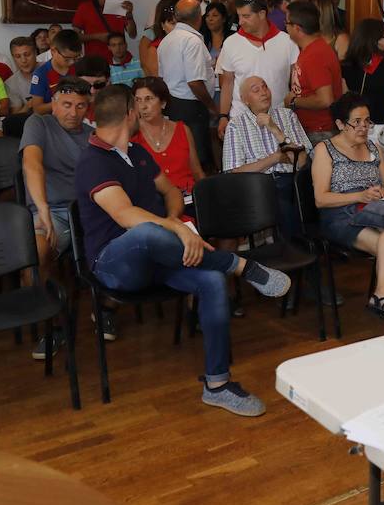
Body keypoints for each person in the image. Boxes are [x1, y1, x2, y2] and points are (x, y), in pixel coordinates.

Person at [73, 84, 289, 415]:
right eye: (138, 107)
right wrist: (175, 229)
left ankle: (217, 384)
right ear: (129, 113)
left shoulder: (137, 152)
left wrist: (174, 220)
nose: (142, 111)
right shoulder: (92, 161)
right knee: (147, 232)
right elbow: (124, 215)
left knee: (211, 282)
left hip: (159, 255)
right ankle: (237, 264)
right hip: (114, 265)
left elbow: (172, 189)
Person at [311, 93, 384, 327]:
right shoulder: (325, 150)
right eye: (356, 122)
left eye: (367, 121)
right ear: (340, 125)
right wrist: (359, 195)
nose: (364, 127)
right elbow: (320, 199)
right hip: (340, 216)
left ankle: (383, 297)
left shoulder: (374, 148)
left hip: (373, 212)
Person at [20, 76, 98, 351]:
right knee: (36, 251)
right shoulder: (38, 124)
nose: (72, 112)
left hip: (86, 211)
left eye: (80, 106)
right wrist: (41, 209)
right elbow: (32, 164)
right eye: (66, 104)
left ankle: (106, 310)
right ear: (53, 103)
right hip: (51, 209)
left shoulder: (92, 136)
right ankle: (50, 325)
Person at [222, 76, 308, 234]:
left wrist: (275, 129)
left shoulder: (287, 116)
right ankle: (296, 250)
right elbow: (234, 172)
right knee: (283, 204)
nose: (263, 93)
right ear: (245, 100)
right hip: (259, 185)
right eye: (256, 90)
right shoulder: (235, 125)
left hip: (293, 180)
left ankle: (298, 248)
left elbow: (301, 161)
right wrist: (275, 158)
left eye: (265, 87)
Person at [215, 0, 298, 139]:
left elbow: (296, 83)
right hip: (241, 118)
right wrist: (223, 116)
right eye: (239, 16)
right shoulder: (231, 43)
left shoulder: (288, 42)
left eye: (246, 16)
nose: (240, 22)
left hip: (278, 119)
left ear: (261, 14)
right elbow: (227, 83)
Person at [157, 0, 218, 170]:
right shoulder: (192, 41)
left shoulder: (166, 40)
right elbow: (194, 82)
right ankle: (201, 195)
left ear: (176, 17)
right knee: (199, 158)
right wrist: (212, 106)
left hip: (172, 103)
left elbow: (162, 77)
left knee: (183, 156)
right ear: (199, 16)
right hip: (191, 106)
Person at [132, 77, 205, 209]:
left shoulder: (182, 129)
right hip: (155, 206)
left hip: (190, 201)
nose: (143, 106)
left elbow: (197, 172)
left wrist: (208, 198)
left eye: (149, 99)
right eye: (138, 100)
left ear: (163, 103)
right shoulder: (132, 136)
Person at [283, 0, 343, 145]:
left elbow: (325, 100)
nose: (285, 27)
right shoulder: (312, 49)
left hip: (319, 131)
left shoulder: (315, 55)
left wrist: (293, 101)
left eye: (287, 23)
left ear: (297, 28)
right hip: (314, 129)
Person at [340, 18, 384, 127]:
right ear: (374, 39)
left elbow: (344, 99)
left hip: (354, 126)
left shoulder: (346, 65)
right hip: (383, 127)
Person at [71, 0, 137, 61]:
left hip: (118, 60)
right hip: (95, 61)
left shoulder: (121, 7)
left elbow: (133, 35)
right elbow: (75, 37)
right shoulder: (84, 8)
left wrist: (129, 15)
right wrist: (96, 37)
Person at [28, 29, 83, 115]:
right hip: (51, 120)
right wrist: (63, 101)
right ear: (53, 51)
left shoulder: (80, 68)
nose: (72, 62)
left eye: (76, 58)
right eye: (67, 59)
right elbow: (38, 109)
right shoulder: (41, 74)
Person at [139, 0, 178, 77]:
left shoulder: (190, 42)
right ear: (162, 25)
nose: (178, 27)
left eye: (181, 23)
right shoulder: (155, 50)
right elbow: (158, 83)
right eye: (172, 23)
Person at [5, 36, 39, 114]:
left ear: (35, 53)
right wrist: (28, 106)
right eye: (18, 56)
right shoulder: (10, 84)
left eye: (27, 55)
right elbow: (16, 118)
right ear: (13, 58)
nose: (23, 60)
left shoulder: (49, 69)